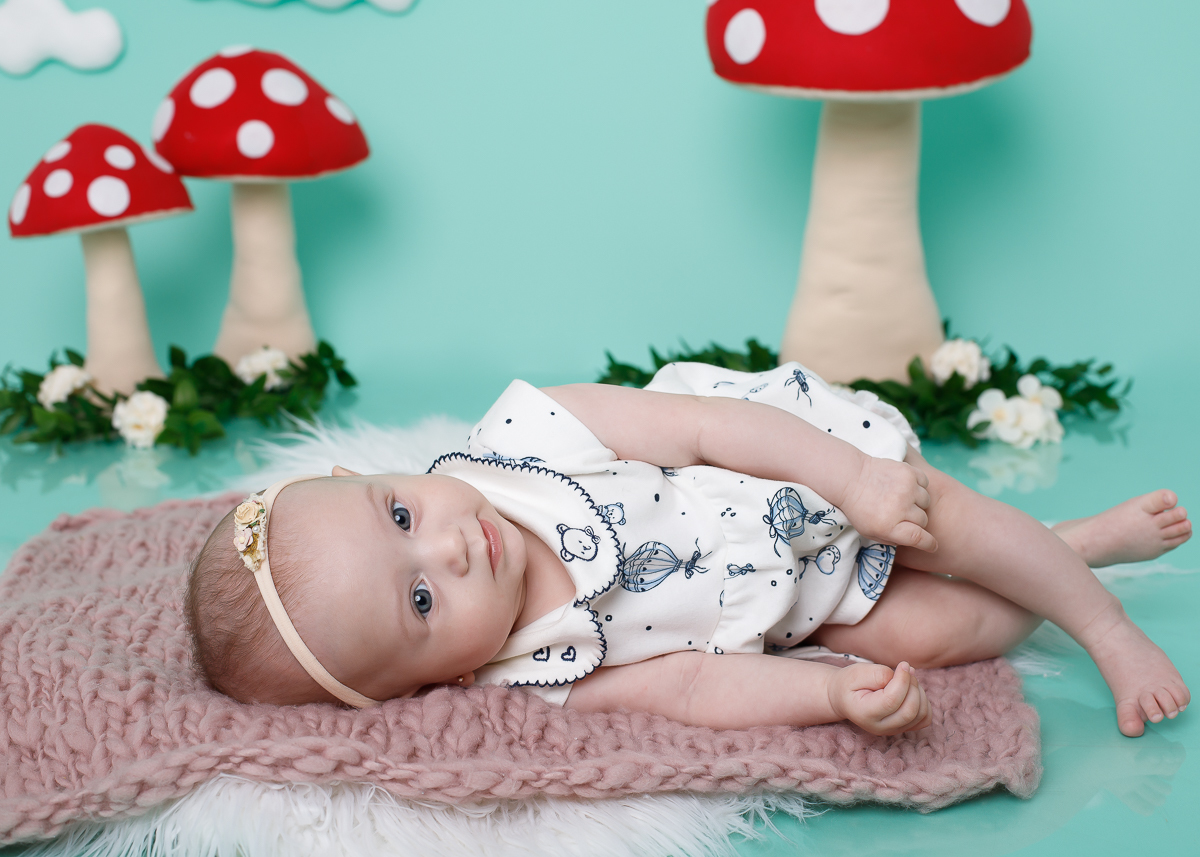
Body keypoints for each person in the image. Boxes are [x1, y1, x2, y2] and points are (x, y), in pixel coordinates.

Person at [185, 362, 1191, 738]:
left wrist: (855, 482)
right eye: (418, 603)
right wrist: (829, 694)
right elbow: (695, 689)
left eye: (401, 515)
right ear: (427, 683)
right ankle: (1073, 549)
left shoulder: (531, 435)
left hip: (805, 470)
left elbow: (711, 428)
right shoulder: (544, 670)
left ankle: (1103, 623)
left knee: (947, 524)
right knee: (942, 632)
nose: (448, 550)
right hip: (804, 606)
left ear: (378, 474)